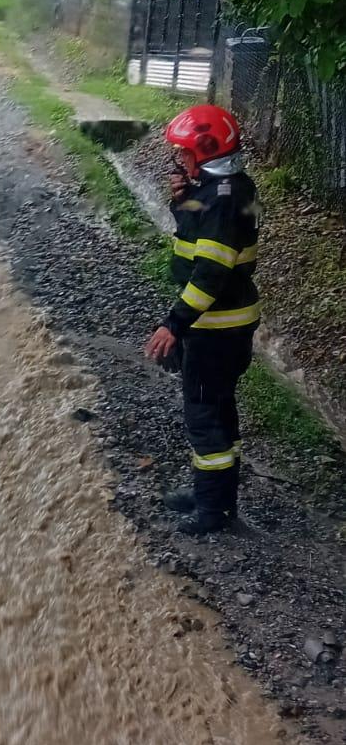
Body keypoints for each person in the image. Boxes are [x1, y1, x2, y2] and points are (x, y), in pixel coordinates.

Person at [144, 103, 260, 536]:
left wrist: (173, 324)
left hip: (217, 328)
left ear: (206, 150)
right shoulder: (225, 189)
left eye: (185, 153)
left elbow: (210, 274)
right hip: (227, 325)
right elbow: (200, 235)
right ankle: (212, 494)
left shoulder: (222, 201)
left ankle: (214, 512)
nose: (181, 160)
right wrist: (182, 202)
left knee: (204, 415)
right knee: (218, 410)